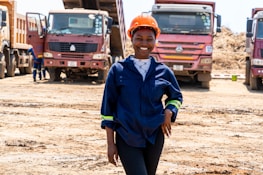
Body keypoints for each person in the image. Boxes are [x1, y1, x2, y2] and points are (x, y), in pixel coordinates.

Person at [100, 14, 183, 175]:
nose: (144, 43)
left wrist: (169, 110)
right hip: (127, 136)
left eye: (149, 39)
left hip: (154, 137)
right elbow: (107, 111)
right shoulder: (118, 70)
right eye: (139, 38)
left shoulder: (163, 72)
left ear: (155, 41)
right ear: (131, 38)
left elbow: (176, 96)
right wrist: (110, 144)